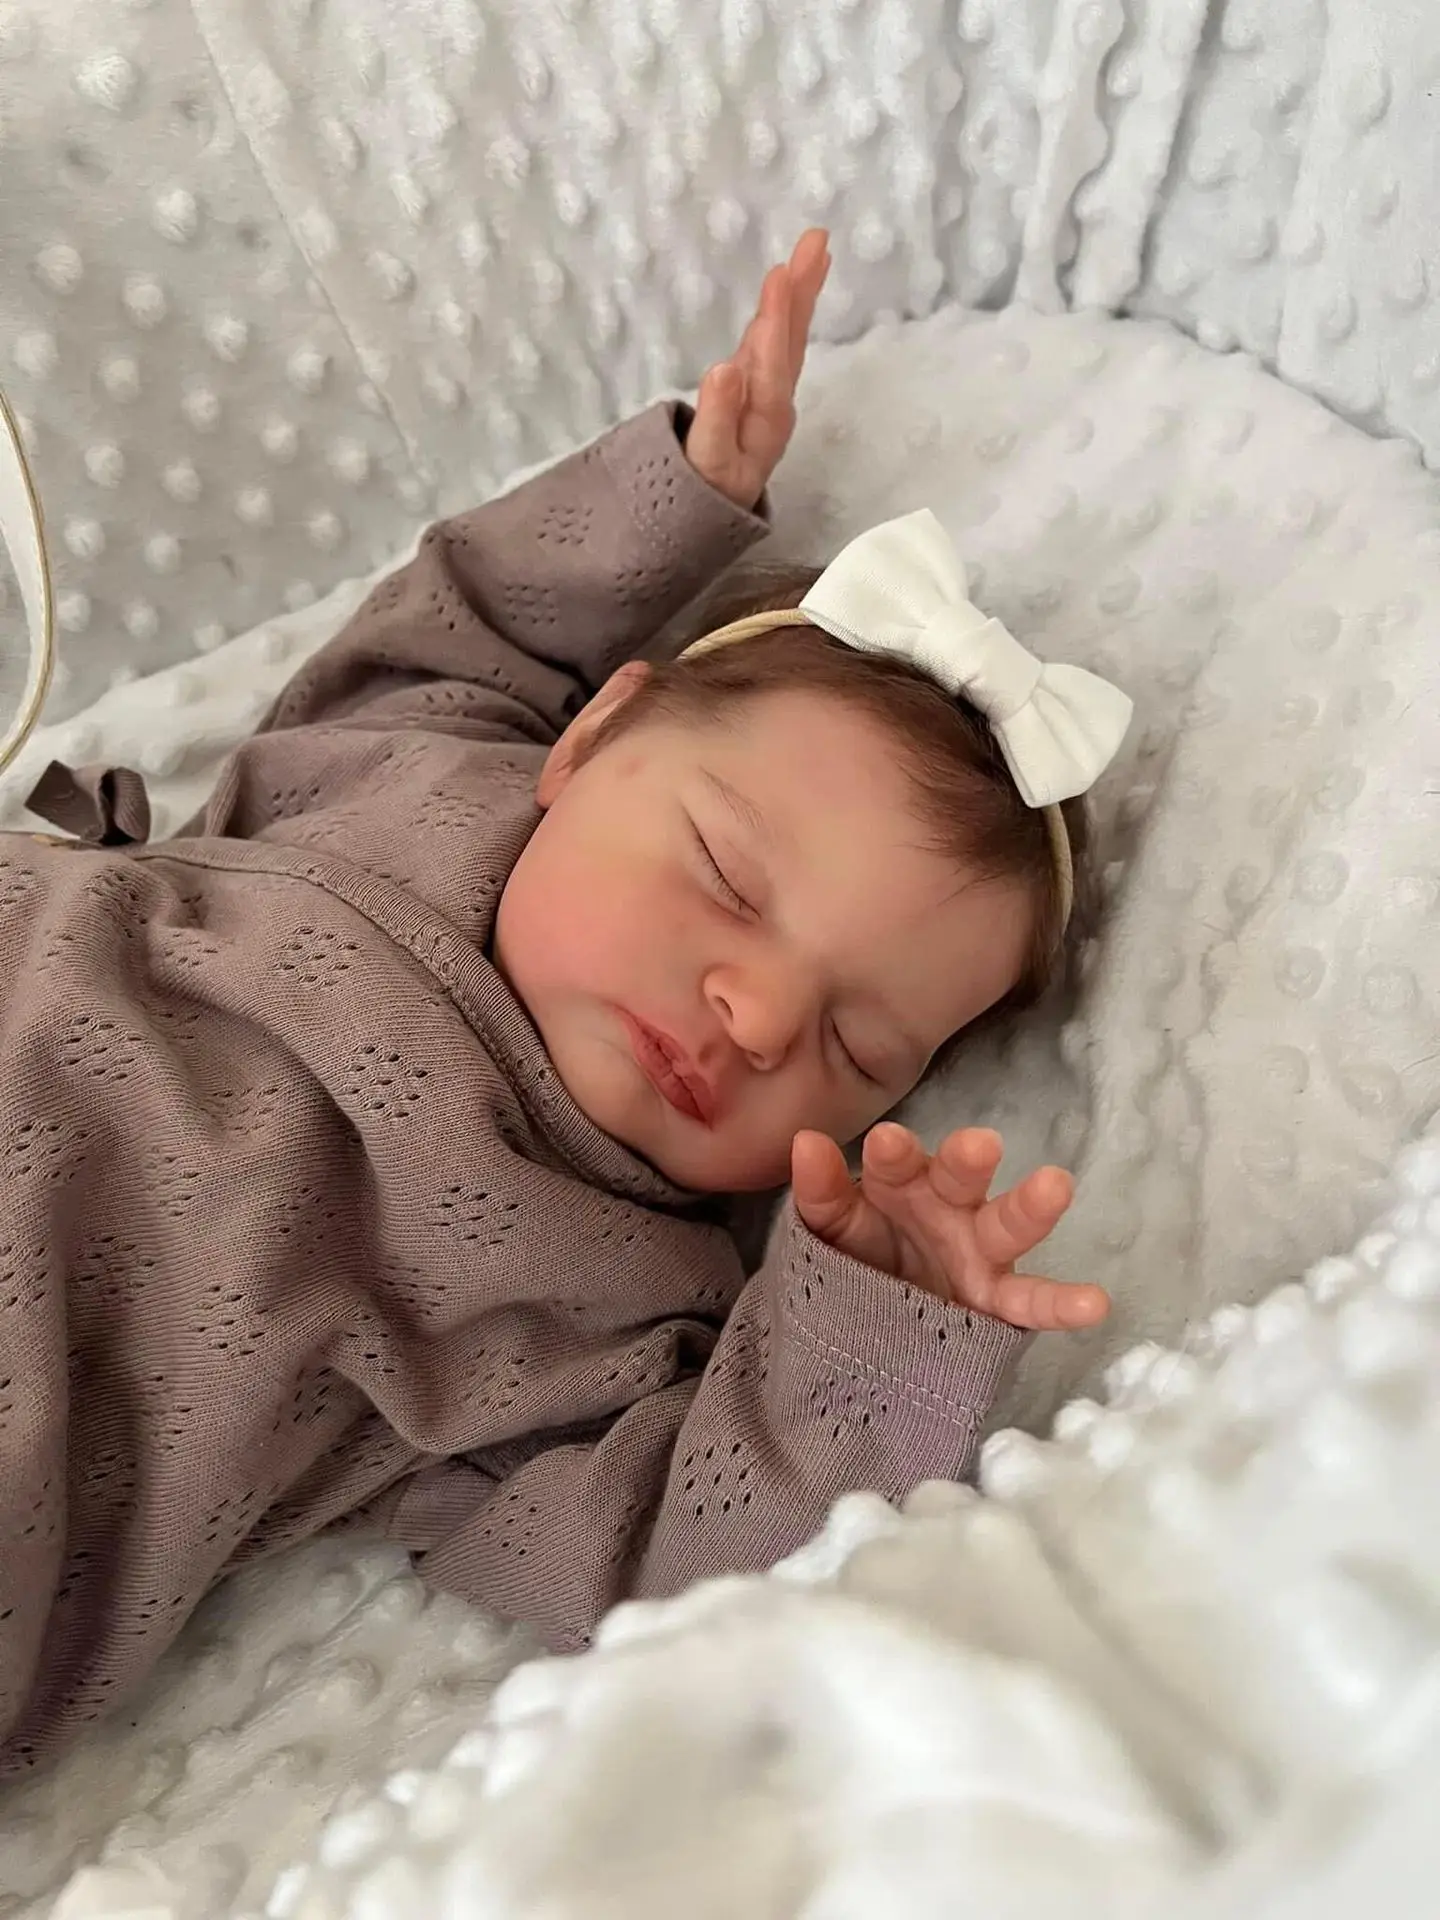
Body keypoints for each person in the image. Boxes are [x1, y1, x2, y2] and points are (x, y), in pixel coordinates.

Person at [0, 230, 1128, 1775]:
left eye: (856, 1045)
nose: (755, 1016)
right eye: (727, 877)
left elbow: (677, 1572)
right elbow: (475, 611)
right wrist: (679, 492)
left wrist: (865, 1336)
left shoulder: (610, 1304)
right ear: (591, 743)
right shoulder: (408, 757)